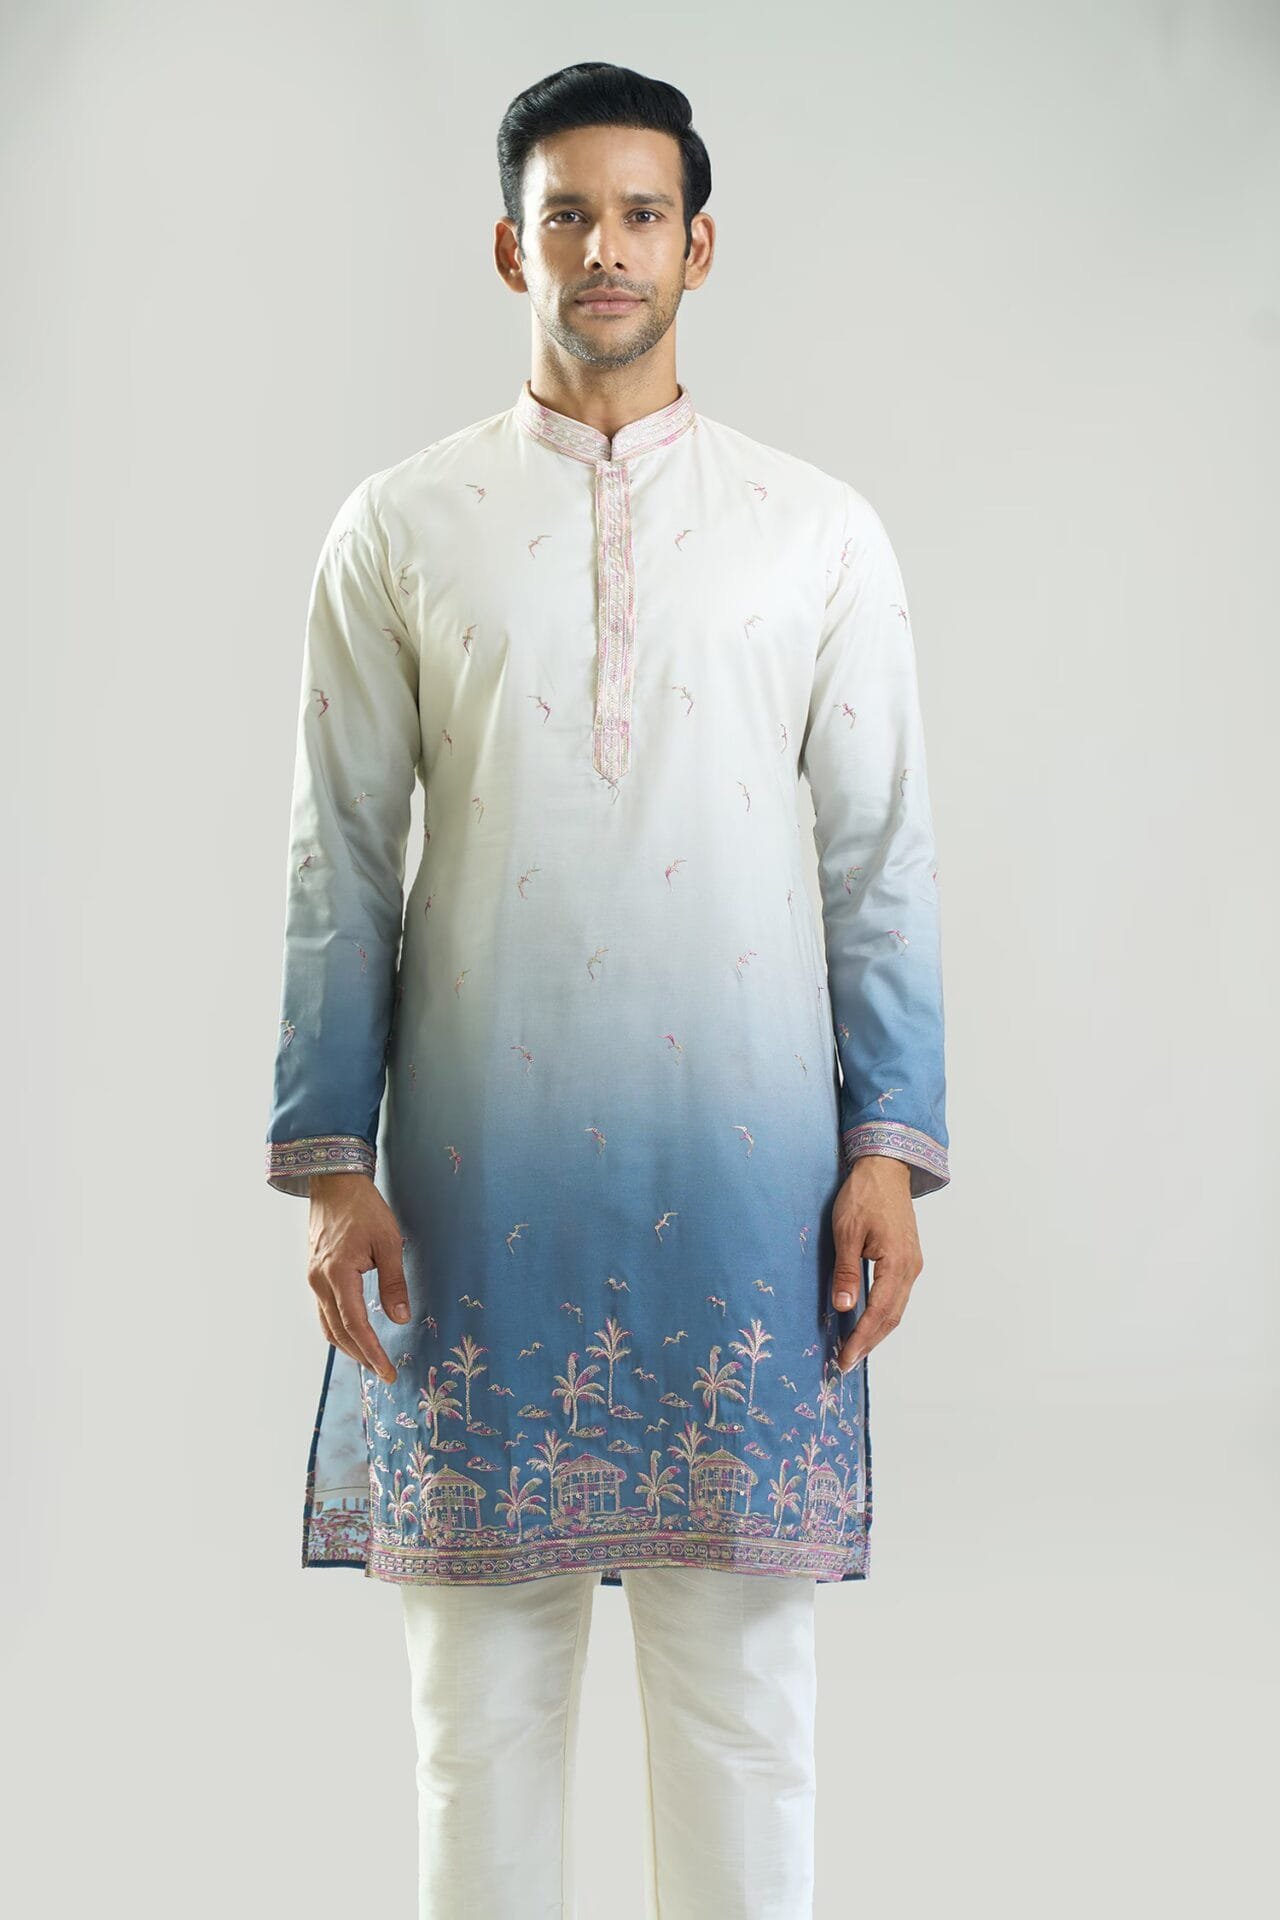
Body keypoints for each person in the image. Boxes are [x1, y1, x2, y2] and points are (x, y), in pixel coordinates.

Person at [264, 59, 950, 1920]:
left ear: (701, 245)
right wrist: (332, 1168)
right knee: (475, 1724)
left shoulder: (815, 531)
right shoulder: (400, 526)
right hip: (472, 1198)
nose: (606, 250)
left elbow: (881, 861)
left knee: (746, 1714)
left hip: (748, 1202)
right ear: (511, 248)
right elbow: (340, 859)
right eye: (567, 214)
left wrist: (887, 1152)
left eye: (643, 214)